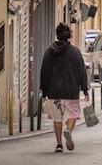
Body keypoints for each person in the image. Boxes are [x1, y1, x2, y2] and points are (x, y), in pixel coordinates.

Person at [40, 23, 90, 153]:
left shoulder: (48, 52)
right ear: (69, 35)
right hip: (70, 91)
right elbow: (82, 71)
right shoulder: (75, 52)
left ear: (57, 34)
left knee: (57, 119)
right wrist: (85, 89)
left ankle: (59, 145)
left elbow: (44, 72)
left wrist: (44, 91)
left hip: (54, 91)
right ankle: (68, 130)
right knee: (73, 114)